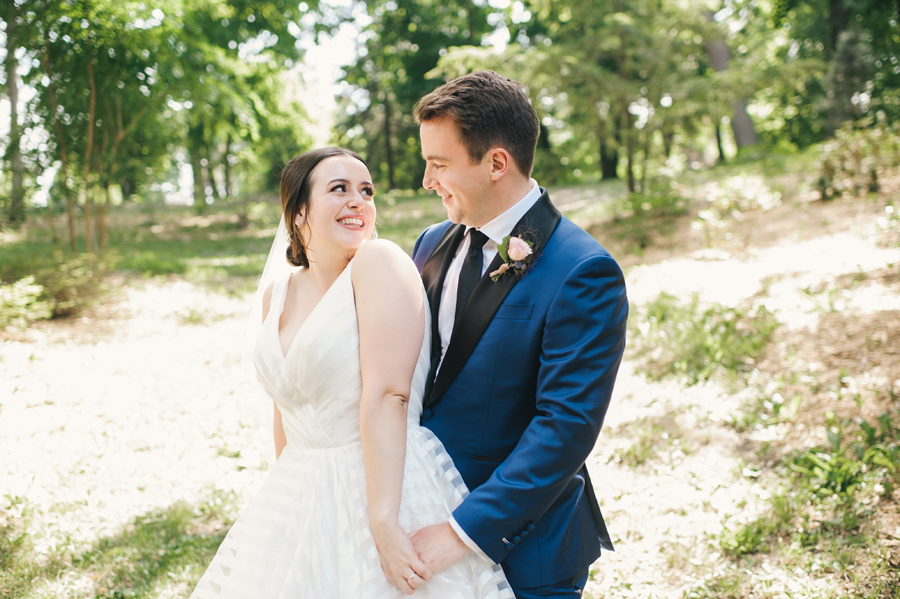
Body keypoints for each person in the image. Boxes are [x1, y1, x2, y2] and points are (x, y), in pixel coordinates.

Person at [190, 147, 513, 598]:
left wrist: (382, 521)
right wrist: (285, 503)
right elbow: (286, 406)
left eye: (366, 190)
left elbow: (389, 396)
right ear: (299, 212)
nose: (358, 200)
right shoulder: (278, 295)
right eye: (338, 189)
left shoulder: (378, 263)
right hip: (302, 491)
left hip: (382, 484)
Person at [408, 71, 628, 599]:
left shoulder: (583, 270)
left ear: (496, 163)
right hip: (418, 524)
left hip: (522, 551)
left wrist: (461, 533)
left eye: (439, 164)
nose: (426, 180)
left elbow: (565, 427)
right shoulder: (429, 244)